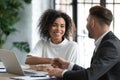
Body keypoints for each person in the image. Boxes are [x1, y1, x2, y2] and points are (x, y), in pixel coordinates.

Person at [47, 5, 120, 80]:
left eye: (87, 21)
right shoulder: (107, 42)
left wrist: (62, 73)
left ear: (92, 22)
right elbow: (93, 72)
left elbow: (89, 75)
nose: (86, 25)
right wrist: (68, 65)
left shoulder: (110, 46)